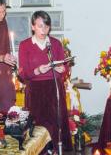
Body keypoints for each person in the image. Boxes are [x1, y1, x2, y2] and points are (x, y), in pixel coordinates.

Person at [18, 10, 72, 152]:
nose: (44, 30)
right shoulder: (25, 45)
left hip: (54, 88)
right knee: (37, 127)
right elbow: (23, 74)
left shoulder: (55, 43)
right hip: (35, 90)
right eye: (40, 26)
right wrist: (37, 71)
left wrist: (62, 69)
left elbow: (64, 67)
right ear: (33, 26)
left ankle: (55, 150)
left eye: (47, 27)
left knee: (55, 124)